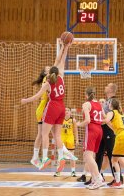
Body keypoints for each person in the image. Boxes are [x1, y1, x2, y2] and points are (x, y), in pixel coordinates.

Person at [21, 41, 71, 172]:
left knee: (44, 134)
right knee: (57, 135)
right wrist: (66, 47)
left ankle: (44, 158)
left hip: (51, 106)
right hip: (62, 106)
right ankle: (60, 157)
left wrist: (25, 101)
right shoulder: (61, 76)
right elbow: (61, 60)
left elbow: (36, 97)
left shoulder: (47, 82)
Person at [77, 87, 105, 190]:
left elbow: (87, 120)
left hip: (92, 130)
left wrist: (79, 124)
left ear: (86, 94)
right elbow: (104, 118)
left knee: (88, 156)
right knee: (89, 155)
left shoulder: (86, 104)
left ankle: (98, 179)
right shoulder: (99, 104)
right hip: (99, 130)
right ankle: (94, 179)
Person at [54, 107, 78, 177]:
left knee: (72, 155)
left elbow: (76, 131)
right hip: (62, 138)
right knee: (60, 155)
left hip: (70, 138)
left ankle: (73, 171)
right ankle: (58, 171)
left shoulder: (73, 120)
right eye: (65, 110)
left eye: (68, 110)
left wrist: (76, 140)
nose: (66, 111)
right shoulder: (60, 119)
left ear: (70, 112)